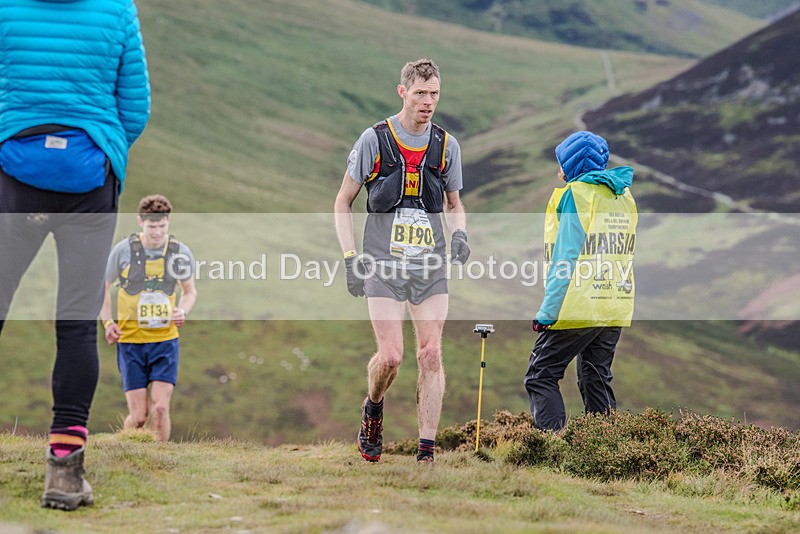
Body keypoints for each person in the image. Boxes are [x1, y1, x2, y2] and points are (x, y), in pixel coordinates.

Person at [0, 0, 150, 510]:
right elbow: (135, 108)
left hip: (12, 175)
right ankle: (64, 473)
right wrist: (104, 148)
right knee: (76, 323)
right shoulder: (116, 9)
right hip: (89, 178)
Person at [334, 58, 469, 464]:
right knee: (391, 356)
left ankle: (426, 452)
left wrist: (460, 233)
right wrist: (349, 257)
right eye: (421, 94)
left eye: (435, 94)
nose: (428, 102)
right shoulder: (374, 140)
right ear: (402, 92)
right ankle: (373, 406)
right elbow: (343, 201)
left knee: (430, 354)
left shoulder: (447, 145)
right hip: (382, 264)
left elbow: (455, 204)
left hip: (430, 265)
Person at [525, 131, 637, 431]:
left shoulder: (577, 195)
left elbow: (565, 258)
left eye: (561, 162)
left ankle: (550, 449)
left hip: (579, 304)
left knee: (541, 374)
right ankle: (606, 452)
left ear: (573, 165)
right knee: (595, 376)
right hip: (614, 303)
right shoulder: (622, 195)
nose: (557, 169)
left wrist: (547, 312)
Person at [100, 195, 196, 443]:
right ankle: (127, 450)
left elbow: (189, 291)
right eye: (152, 227)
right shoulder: (123, 251)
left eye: (162, 226)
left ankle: (160, 462)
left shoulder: (179, 253)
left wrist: (182, 311)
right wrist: (108, 323)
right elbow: (102, 288)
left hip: (165, 341)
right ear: (140, 222)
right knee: (139, 416)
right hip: (131, 342)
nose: (157, 233)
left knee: (161, 408)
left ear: (168, 222)